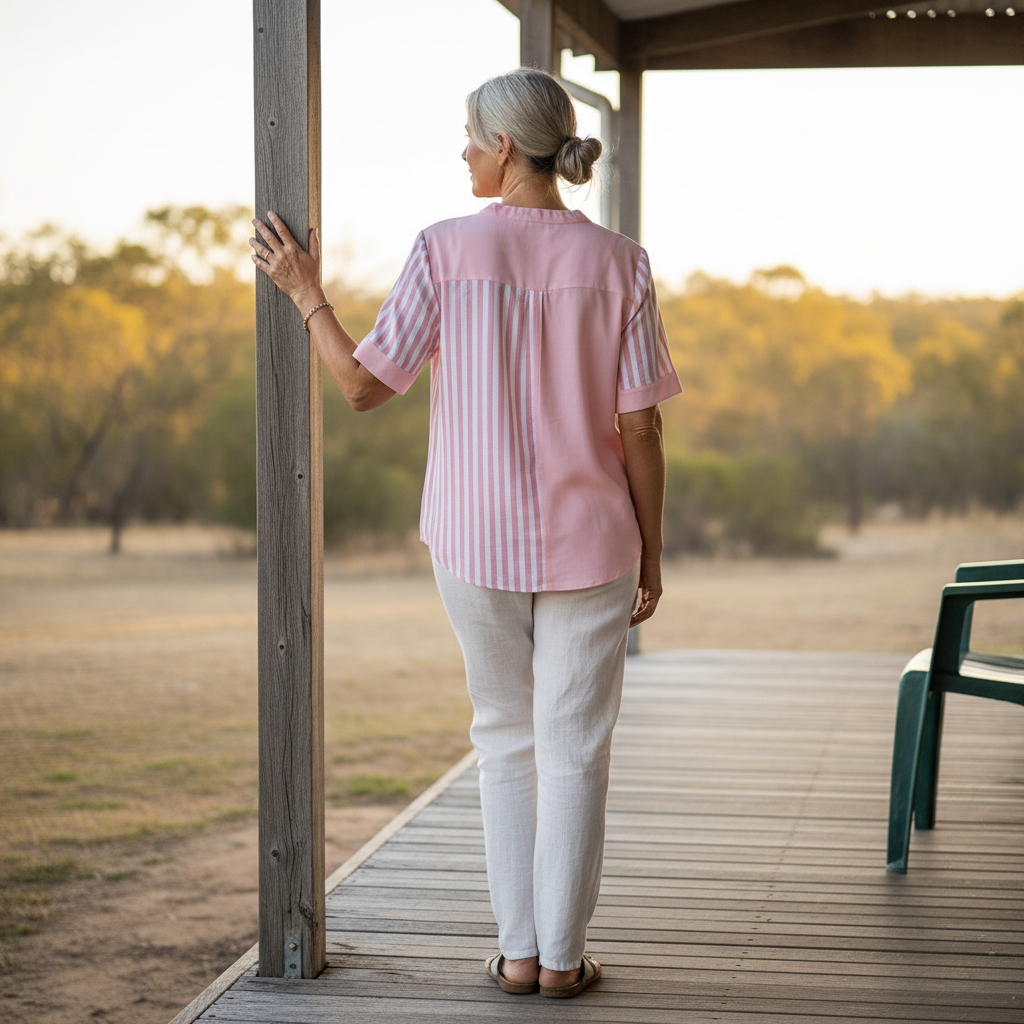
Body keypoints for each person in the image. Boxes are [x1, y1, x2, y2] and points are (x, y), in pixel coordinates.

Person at [250, 66, 680, 1000]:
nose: (460, 151)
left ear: (502, 150)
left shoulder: (444, 250)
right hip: (594, 538)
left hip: (471, 537)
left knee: (504, 738)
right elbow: (641, 429)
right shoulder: (621, 262)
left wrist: (305, 295)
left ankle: (517, 954)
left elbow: (365, 386)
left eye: (467, 135)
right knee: (575, 745)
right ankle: (564, 963)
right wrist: (651, 549)